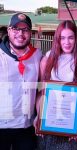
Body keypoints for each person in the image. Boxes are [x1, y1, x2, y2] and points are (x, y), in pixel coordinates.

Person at [35, 20, 77, 150]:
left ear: (76, 39)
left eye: (71, 37)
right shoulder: (46, 61)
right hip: (47, 125)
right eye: (62, 38)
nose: (67, 42)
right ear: (57, 39)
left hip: (71, 128)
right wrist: (38, 117)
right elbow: (40, 93)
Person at [0, 13, 42, 150]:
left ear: (30, 33)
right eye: (16, 29)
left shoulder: (37, 55)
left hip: (27, 126)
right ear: (8, 30)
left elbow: (42, 89)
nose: (20, 34)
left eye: (25, 30)